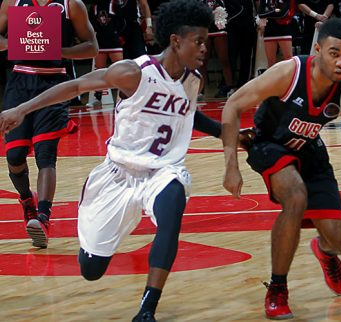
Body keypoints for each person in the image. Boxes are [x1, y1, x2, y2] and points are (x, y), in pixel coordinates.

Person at [0, 1, 235, 321]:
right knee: (91, 269)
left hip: (163, 171)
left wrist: (228, 134)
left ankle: (147, 309)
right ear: (176, 41)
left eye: (207, 41)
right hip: (118, 173)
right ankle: (99, 227)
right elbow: (75, 85)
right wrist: (21, 109)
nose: (205, 48)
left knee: (173, 210)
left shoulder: (193, 78)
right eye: (199, 41)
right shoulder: (134, 72)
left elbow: (189, 114)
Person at [221, 18, 341, 320]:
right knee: (296, 197)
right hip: (269, 144)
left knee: (340, 241)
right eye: (334, 53)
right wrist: (230, 166)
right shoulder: (288, 72)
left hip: (309, 150)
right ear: (318, 50)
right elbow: (233, 105)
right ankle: (277, 288)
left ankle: (325, 252)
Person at [0, 0, 98, 248]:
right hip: (19, 82)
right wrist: (16, 44)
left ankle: (43, 217)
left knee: (46, 154)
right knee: (15, 155)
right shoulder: (12, 2)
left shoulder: (71, 5)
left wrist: (59, 50)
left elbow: (92, 47)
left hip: (55, 85)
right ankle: (27, 201)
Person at [88, 0, 125, 108]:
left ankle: (122, 97)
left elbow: (122, 22)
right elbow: (90, 24)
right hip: (100, 43)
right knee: (100, 70)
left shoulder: (114, 4)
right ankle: (97, 98)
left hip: (114, 42)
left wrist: (116, 33)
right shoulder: (94, 6)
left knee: (120, 70)